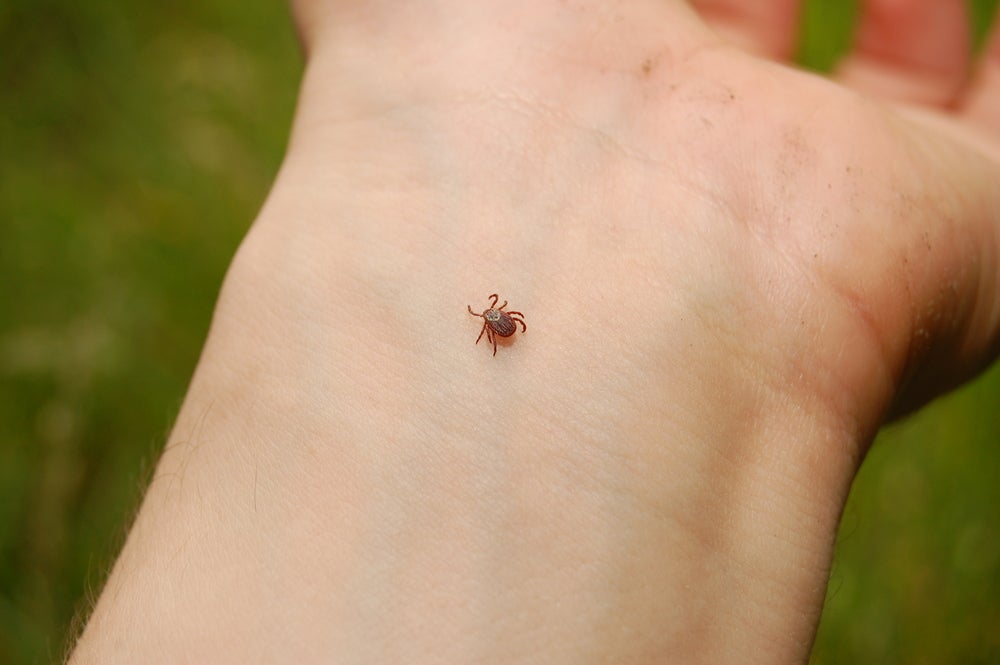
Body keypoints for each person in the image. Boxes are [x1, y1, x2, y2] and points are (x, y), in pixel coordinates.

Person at [68, 1, 1000, 662]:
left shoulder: (492, 322)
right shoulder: (507, 320)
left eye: (496, 319)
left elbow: (506, 323)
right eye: (496, 319)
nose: (497, 322)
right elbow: (518, 323)